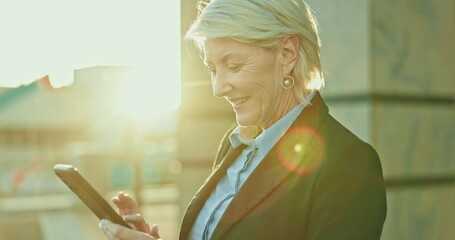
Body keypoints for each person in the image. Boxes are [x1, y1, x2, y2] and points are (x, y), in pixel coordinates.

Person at [98, 0, 387, 239]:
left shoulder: (349, 164)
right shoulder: (234, 145)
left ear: (286, 53)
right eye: (213, 69)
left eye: (233, 66)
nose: (218, 87)